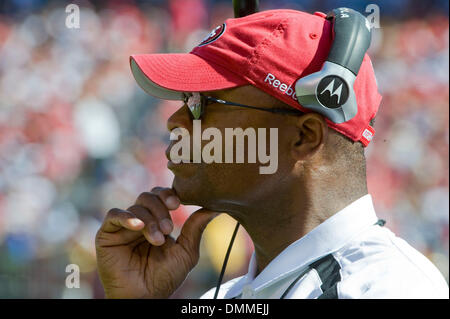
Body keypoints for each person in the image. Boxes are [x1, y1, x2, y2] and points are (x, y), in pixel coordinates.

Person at [95, 9, 449, 299]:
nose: (175, 121)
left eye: (201, 103)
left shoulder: (389, 289)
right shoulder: (222, 299)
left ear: (304, 138)